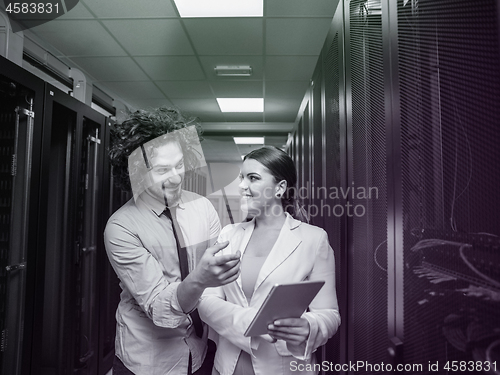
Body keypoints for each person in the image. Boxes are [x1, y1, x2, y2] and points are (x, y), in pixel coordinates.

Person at [104, 107, 241, 375]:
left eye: (180, 165)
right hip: (149, 360)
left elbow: (219, 280)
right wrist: (201, 278)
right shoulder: (121, 227)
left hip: (200, 352)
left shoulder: (203, 207)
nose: (176, 177)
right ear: (138, 172)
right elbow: (158, 306)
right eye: (163, 169)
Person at [197, 146, 341, 375]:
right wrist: (253, 322)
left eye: (253, 178)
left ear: (280, 188)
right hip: (228, 367)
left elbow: (329, 314)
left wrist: (309, 326)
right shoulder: (228, 235)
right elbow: (206, 302)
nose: (242, 185)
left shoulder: (314, 239)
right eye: (242, 178)